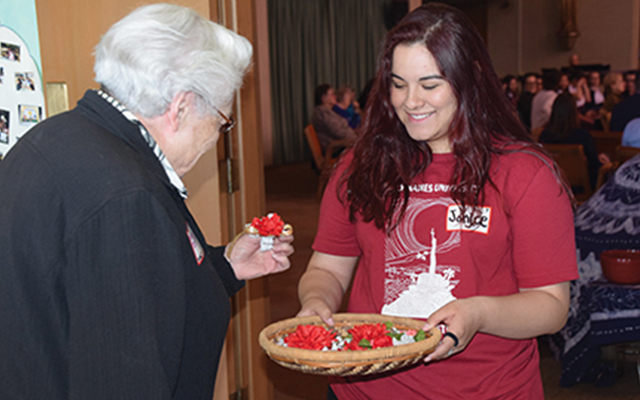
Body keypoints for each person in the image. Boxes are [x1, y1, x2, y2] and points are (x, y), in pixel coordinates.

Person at [0, 4, 294, 400]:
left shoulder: (59, 136)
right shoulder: (126, 198)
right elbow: (125, 380)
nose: (215, 139)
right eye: (222, 120)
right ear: (182, 106)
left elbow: (130, 288)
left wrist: (225, 267)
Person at [297, 4, 578, 400]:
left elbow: (551, 306)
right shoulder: (359, 166)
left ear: (471, 80)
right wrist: (316, 301)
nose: (411, 101)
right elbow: (327, 268)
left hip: (485, 390)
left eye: (430, 85)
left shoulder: (524, 173)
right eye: (398, 84)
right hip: (364, 388)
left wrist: (479, 313)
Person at [538, 94, 606, 190]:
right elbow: (595, 165)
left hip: (554, 186)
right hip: (581, 188)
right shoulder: (582, 136)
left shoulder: (545, 136)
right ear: (574, 112)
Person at [311, 83, 356, 154]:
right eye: (332, 94)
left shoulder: (327, 111)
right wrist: (355, 137)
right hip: (334, 149)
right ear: (323, 98)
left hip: (340, 144)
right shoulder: (323, 113)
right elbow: (338, 132)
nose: (335, 96)